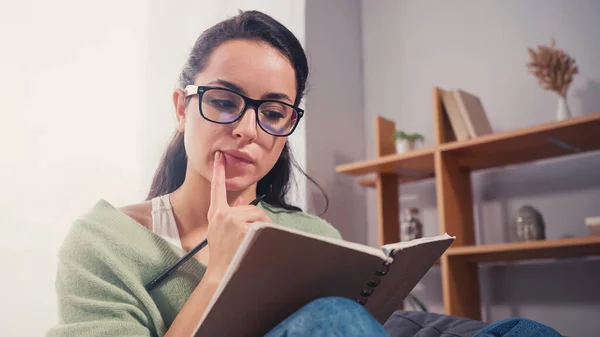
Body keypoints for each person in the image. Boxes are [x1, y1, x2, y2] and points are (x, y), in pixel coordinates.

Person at [47, 10, 390, 337]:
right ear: (182, 109)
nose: (247, 130)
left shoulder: (316, 238)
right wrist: (220, 272)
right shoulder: (105, 244)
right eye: (224, 102)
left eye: (272, 113)